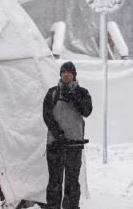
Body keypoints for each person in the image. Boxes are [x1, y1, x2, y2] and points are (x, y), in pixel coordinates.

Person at [42, 62, 92, 209]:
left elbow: (87, 111)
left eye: (69, 72)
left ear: (74, 74)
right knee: (54, 181)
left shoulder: (83, 93)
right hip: (55, 144)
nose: (65, 74)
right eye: (63, 71)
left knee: (72, 181)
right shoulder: (52, 93)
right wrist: (58, 134)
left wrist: (73, 97)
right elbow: (47, 115)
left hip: (74, 146)